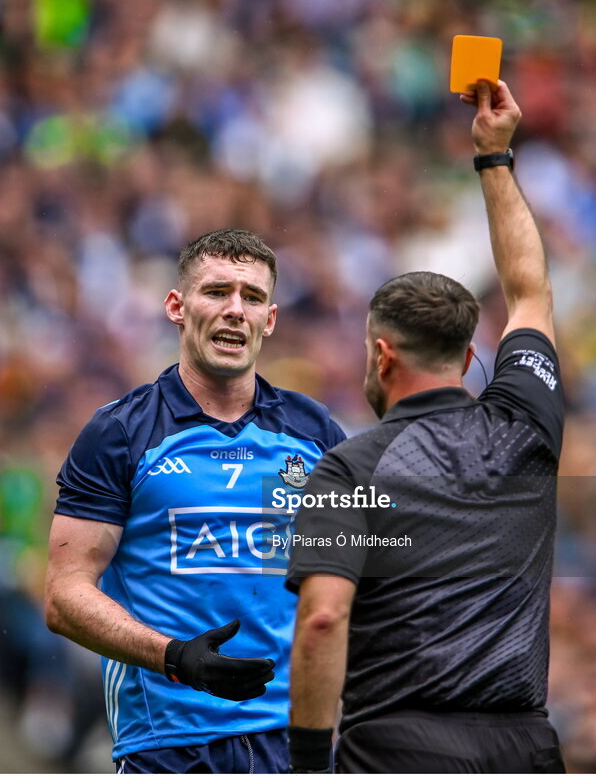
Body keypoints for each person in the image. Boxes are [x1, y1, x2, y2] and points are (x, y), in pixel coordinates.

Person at [285, 79, 566, 773]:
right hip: (525, 750)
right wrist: (494, 159)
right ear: (471, 358)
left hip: (397, 751)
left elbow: (323, 619)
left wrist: (308, 760)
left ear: (382, 355)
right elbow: (529, 289)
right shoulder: (527, 424)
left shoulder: (348, 471)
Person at [45, 229, 346, 773]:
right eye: (216, 292)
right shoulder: (120, 432)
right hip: (168, 746)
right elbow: (63, 596)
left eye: (252, 297)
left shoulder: (316, 433)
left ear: (270, 320)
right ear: (176, 307)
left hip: (298, 746)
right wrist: (174, 657)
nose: (235, 310)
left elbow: (357, 579)